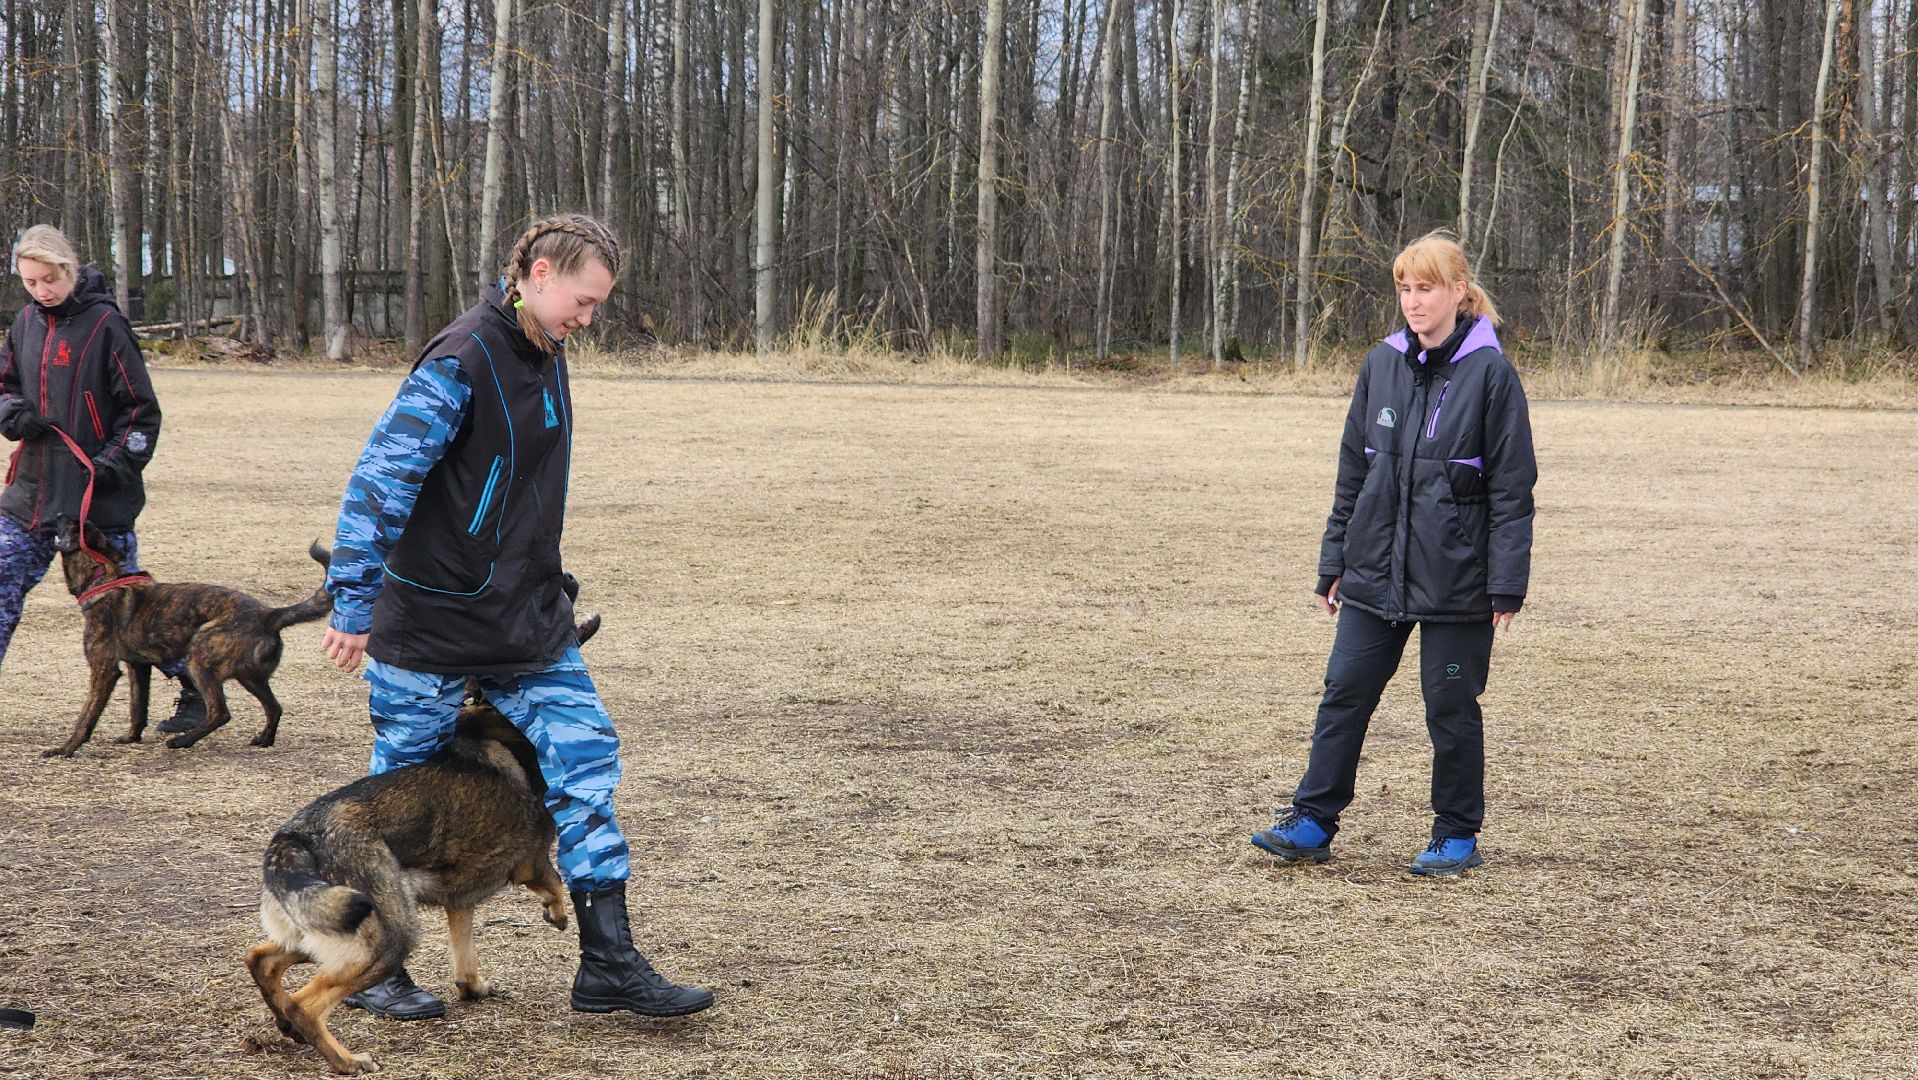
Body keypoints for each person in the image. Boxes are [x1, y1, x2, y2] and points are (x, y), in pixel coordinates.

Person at [320, 213, 714, 1020]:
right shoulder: (462, 359)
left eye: (599, 306)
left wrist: (549, 585)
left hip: (525, 620)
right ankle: (375, 966)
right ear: (537, 272)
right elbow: (380, 482)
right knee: (403, 803)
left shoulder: (548, 355)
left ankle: (609, 963)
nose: (588, 318)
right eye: (583, 300)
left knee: (586, 762)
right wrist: (354, 604)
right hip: (427, 626)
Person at [1251, 231, 1536, 877]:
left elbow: (1513, 487)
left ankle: (1456, 834)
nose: (1413, 301)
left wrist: (1505, 585)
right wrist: (1334, 563)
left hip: (1457, 580)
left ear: (1458, 291)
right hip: (1374, 571)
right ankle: (1313, 822)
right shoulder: (1380, 364)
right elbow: (1353, 471)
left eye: (1426, 288)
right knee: (1344, 691)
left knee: (1449, 707)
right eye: (1405, 288)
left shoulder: (1491, 372)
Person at [0, 225, 199, 724]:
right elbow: (4, 386)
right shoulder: (24, 323)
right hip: (29, 496)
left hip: (95, 503)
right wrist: (12, 412)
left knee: (131, 615)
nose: (41, 291)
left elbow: (140, 412)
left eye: (49, 279)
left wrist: (112, 465)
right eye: (30, 283)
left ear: (68, 270)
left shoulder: (107, 325)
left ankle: (196, 690)